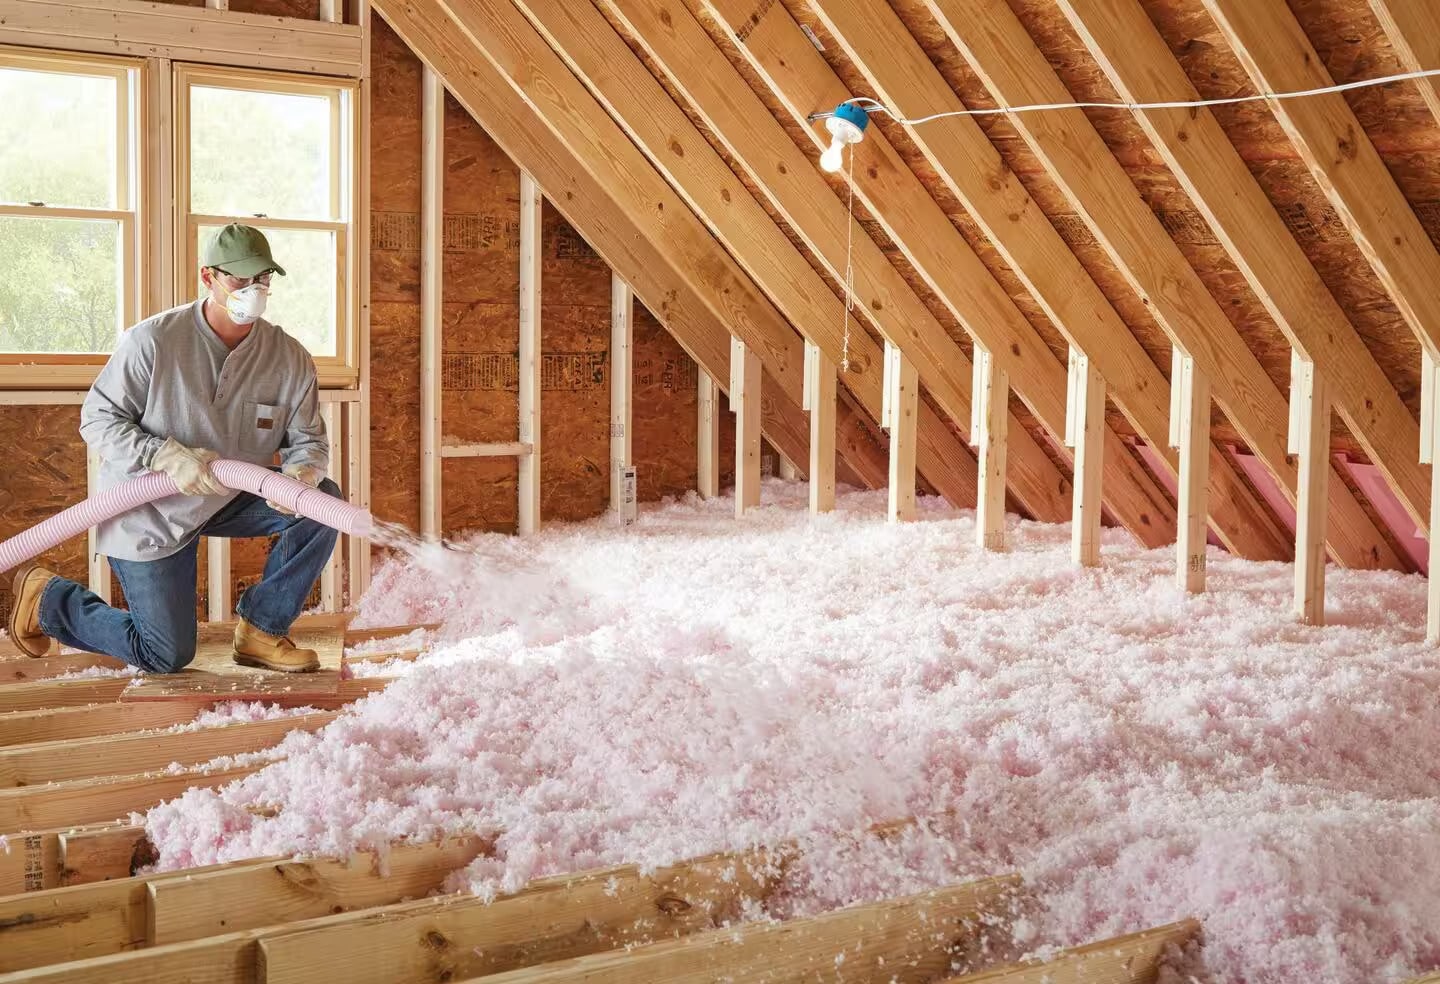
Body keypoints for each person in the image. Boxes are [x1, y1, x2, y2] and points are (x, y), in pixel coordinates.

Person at [6, 224, 340, 674]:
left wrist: (302, 474)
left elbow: (309, 441)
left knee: (323, 502)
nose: (254, 290)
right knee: (165, 654)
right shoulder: (153, 341)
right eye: (240, 280)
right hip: (150, 510)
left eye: (263, 279)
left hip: (225, 497)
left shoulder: (288, 357)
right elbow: (98, 420)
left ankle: (262, 630)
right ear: (209, 278)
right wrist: (163, 456)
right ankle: (50, 601)